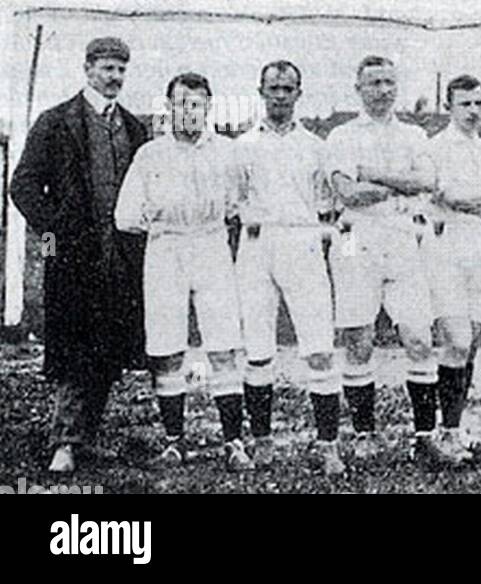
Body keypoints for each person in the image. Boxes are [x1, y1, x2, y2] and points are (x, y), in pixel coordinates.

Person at [11, 37, 150, 473]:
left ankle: (86, 438)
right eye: (108, 69)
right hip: (72, 257)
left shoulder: (133, 127)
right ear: (88, 68)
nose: (115, 78)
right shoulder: (56, 122)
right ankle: (64, 443)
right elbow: (23, 185)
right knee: (75, 347)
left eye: (121, 70)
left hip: (121, 257)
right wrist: (53, 230)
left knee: (109, 348)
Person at [115, 72, 250, 471]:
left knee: (224, 344)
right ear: (168, 107)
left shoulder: (227, 152)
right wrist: (157, 219)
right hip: (165, 249)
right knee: (167, 347)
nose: (188, 110)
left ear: (208, 107)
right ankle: (174, 442)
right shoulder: (150, 154)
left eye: (196, 103)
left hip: (211, 244)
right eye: (180, 102)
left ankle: (234, 442)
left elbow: (238, 205)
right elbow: (125, 216)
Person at [394, 74, 481, 463]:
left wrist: (475, 204)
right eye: (465, 104)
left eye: (479, 103)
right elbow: (446, 194)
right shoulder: (433, 149)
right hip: (444, 248)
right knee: (456, 339)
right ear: (449, 106)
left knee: (471, 345)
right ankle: (436, 433)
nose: (473, 111)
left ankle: (452, 429)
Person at [324, 56, 441, 463]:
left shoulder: (414, 135)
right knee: (359, 340)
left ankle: (425, 436)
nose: (383, 90)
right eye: (374, 82)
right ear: (358, 88)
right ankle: (364, 434)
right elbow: (348, 194)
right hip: (356, 239)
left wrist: (372, 174)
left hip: (403, 237)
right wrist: (398, 185)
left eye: (390, 81)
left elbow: (427, 182)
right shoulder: (341, 135)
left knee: (419, 337)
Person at [234, 60, 345, 474]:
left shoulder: (316, 146)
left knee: (318, 346)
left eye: (288, 88)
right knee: (258, 349)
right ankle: (262, 440)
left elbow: (332, 205)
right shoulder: (242, 145)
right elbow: (234, 200)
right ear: (260, 91)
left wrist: (323, 237)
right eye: (273, 88)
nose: (280, 95)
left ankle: (328, 444)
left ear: (299, 93)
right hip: (257, 245)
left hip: (302, 242)